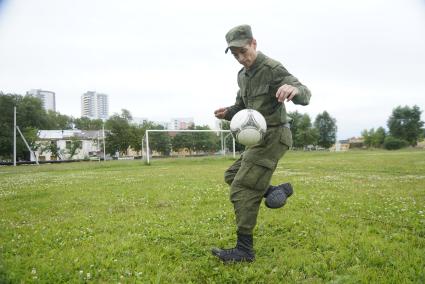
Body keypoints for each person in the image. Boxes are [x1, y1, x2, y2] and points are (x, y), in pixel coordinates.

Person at [212, 24, 311, 263]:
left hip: (275, 136)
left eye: (243, 52)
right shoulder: (242, 76)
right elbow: (241, 107)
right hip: (257, 140)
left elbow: (305, 94)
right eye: (235, 55)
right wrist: (228, 113)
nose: (241, 58)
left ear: (254, 43)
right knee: (232, 175)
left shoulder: (272, 68)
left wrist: (293, 89)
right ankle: (276, 191)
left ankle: (244, 250)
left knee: (242, 188)